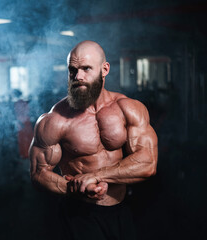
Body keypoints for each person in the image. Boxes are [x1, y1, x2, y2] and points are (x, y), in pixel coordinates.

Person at [29, 40, 158, 240]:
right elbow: (38, 173)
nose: (78, 76)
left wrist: (97, 176)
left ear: (104, 69)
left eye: (86, 69)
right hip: (79, 215)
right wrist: (74, 189)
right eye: (72, 70)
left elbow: (148, 163)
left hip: (122, 210)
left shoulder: (128, 108)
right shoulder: (55, 119)